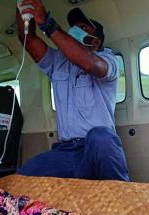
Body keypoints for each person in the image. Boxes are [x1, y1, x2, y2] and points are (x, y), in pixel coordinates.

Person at [15, 0, 130, 181]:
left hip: (96, 149)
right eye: (73, 27)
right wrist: (22, 8)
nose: (74, 30)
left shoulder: (108, 59)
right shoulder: (57, 62)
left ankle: (123, 194)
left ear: (96, 41)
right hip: (66, 152)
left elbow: (90, 64)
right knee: (23, 178)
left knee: (101, 136)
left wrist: (48, 25)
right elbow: (27, 39)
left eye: (82, 27)